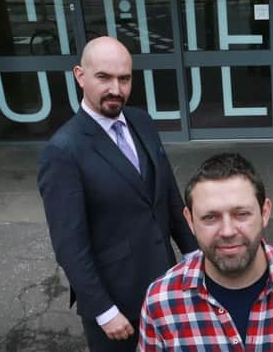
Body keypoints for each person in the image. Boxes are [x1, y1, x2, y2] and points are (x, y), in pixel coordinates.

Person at [37, 36, 198, 352]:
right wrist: (103, 310)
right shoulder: (62, 151)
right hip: (117, 306)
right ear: (80, 76)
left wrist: (194, 255)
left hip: (166, 285)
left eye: (124, 78)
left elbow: (167, 193)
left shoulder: (141, 120)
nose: (116, 89)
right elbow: (70, 245)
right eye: (104, 77)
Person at [138, 153, 273, 351]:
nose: (228, 231)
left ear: (265, 212)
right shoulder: (160, 302)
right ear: (190, 221)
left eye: (241, 214)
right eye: (210, 217)